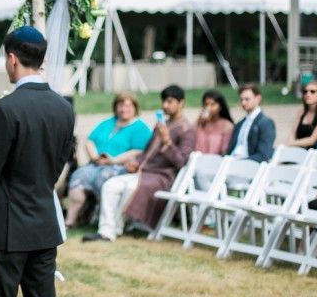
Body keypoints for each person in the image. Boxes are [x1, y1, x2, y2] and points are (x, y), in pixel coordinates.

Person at [0, 27, 75, 297]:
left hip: (7, 227)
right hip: (45, 224)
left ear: (12, 59)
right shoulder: (64, 108)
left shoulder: (5, 109)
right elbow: (60, 161)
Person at [84, 85, 196, 242]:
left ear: (181, 103)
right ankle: (105, 231)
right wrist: (135, 162)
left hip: (161, 177)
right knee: (110, 185)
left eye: (170, 101)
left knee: (131, 188)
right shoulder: (161, 125)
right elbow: (147, 152)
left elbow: (181, 161)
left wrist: (167, 142)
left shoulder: (187, 129)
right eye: (164, 101)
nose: (165, 105)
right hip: (142, 172)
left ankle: (114, 228)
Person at [63, 92, 152, 227]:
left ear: (135, 108)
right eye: (120, 105)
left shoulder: (140, 128)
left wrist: (114, 160)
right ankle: (71, 220)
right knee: (79, 175)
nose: (123, 109)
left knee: (103, 177)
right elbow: (90, 140)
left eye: (128, 106)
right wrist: (94, 157)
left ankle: (105, 221)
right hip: (97, 163)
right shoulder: (108, 123)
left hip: (120, 167)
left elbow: (138, 151)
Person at [226, 84, 275, 163]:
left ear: (258, 98)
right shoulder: (240, 124)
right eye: (241, 99)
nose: (243, 103)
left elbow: (263, 155)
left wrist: (239, 162)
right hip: (230, 162)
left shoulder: (266, 123)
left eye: (247, 99)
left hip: (248, 166)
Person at [287, 80, 317, 149]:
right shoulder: (301, 112)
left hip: (315, 152)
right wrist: (290, 142)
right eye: (305, 92)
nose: (308, 94)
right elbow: (293, 133)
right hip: (299, 150)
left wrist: (292, 143)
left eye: (312, 92)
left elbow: (313, 140)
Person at [193, 89, 234, 155]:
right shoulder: (201, 123)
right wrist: (198, 121)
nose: (208, 108)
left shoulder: (227, 126)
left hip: (216, 161)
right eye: (206, 104)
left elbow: (225, 151)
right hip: (198, 160)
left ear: (220, 107)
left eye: (213, 104)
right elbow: (190, 141)